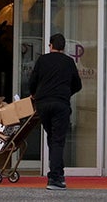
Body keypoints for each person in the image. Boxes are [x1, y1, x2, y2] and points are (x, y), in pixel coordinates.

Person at [28, 32, 82, 190]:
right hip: (61, 104)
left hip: (43, 104)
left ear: (50, 46)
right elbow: (77, 85)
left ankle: (58, 174)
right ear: (64, 47)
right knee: (58, 140)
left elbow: (33, 81)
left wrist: (34, 94)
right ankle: (55, 179)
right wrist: (65, 94)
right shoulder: (69, 62)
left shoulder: (42, 60)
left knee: (52, 138)